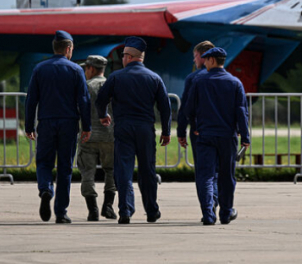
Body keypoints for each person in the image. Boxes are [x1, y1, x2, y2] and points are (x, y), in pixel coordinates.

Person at [95, 36, 172, 224]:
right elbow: (165, 107)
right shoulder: (154, 78)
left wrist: (103, 115)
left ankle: (125, 210)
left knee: (124, 170)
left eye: (123, 55)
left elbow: (100, 100)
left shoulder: (115, 77)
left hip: (123, 128)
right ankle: (152, 211)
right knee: (147, 171)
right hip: (145, 129)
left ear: (129, 56)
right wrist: (166, 131)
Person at [24, 30, 91, 224]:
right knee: (65, 167)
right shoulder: (76, 70)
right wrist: (86, 126)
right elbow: (84, 101)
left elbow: (31, 100)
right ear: (68, 49)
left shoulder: (39, 69)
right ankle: (61, 212)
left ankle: (45, 189)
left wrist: (29, 125)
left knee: (44, 162)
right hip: (68, 124)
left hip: (46, 122)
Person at [185, 47, 250, 226]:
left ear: (212, 60)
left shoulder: (199, 82)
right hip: (227, 137)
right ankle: (225, 213)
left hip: (205, 136)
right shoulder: (235, 83)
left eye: (206, 60)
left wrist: (195, 126)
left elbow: (189, 109)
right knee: (226, 176)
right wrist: (245, 136)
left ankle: (208, 214)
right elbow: (241, 112)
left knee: (205, 176)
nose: (204, 63)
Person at [177, 40, 217, 219]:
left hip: (199, 132)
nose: (194, 61)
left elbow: (185, 108)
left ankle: (208, 210)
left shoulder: (193, 79)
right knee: (219, 171)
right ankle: (216, 203)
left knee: (204, 172)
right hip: (223, 133)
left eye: (195, 57)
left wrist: (180, 131)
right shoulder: (229, 78)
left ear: (202, 56)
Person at [77, 55, 117, 221]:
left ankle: (92, 209)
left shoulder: (85, 86)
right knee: (111, 171)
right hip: (110, 136)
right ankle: (108, 206)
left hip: (88, 136)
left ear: (91, 69)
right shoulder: (113, 86)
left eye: (86, 68)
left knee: (88, 172)